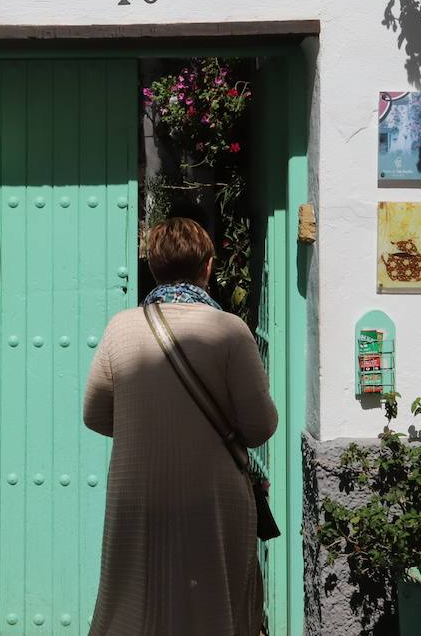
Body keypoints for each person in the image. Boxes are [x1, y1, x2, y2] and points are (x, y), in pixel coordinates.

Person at [83, 217, 278, 636]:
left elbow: (95, 413)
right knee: (210, 602)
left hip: (138, 492)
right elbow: (261, 427)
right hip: (213, 496)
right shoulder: (230, 331)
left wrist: (148, 427)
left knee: (133, 600)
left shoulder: (121, 328)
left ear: (152, 267)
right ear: (208, 267)